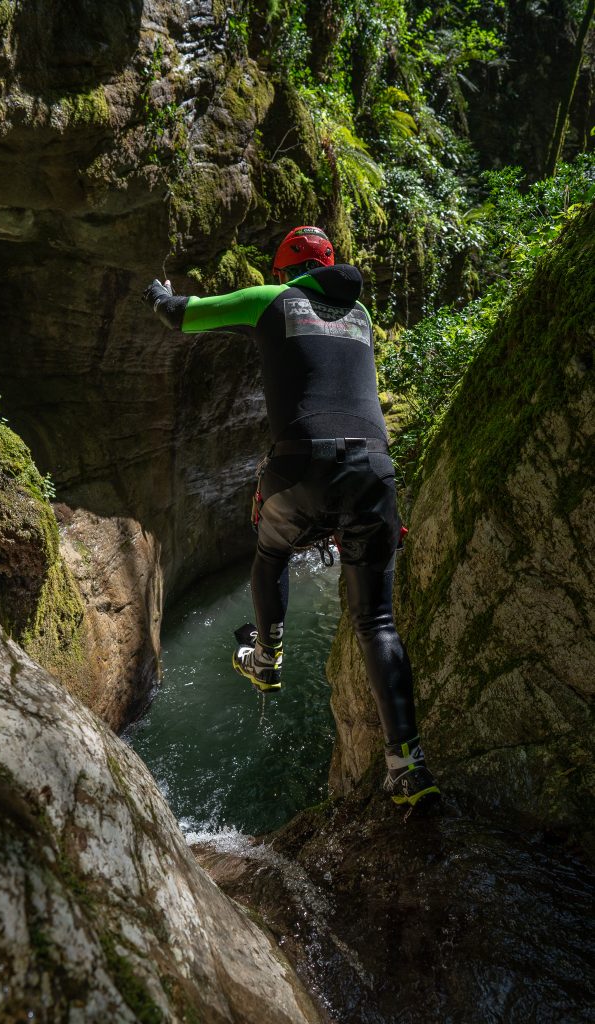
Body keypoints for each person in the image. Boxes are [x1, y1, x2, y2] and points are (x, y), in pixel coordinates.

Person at [143, 226, 439, 808]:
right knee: (377, 622)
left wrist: (158, 294)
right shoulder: (360, 318)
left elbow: (183, 316)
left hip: (303, 466)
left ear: (285, 272)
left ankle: (268, 655)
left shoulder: (271, 299)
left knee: (274, 548)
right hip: (374, 472)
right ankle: (409, 766)